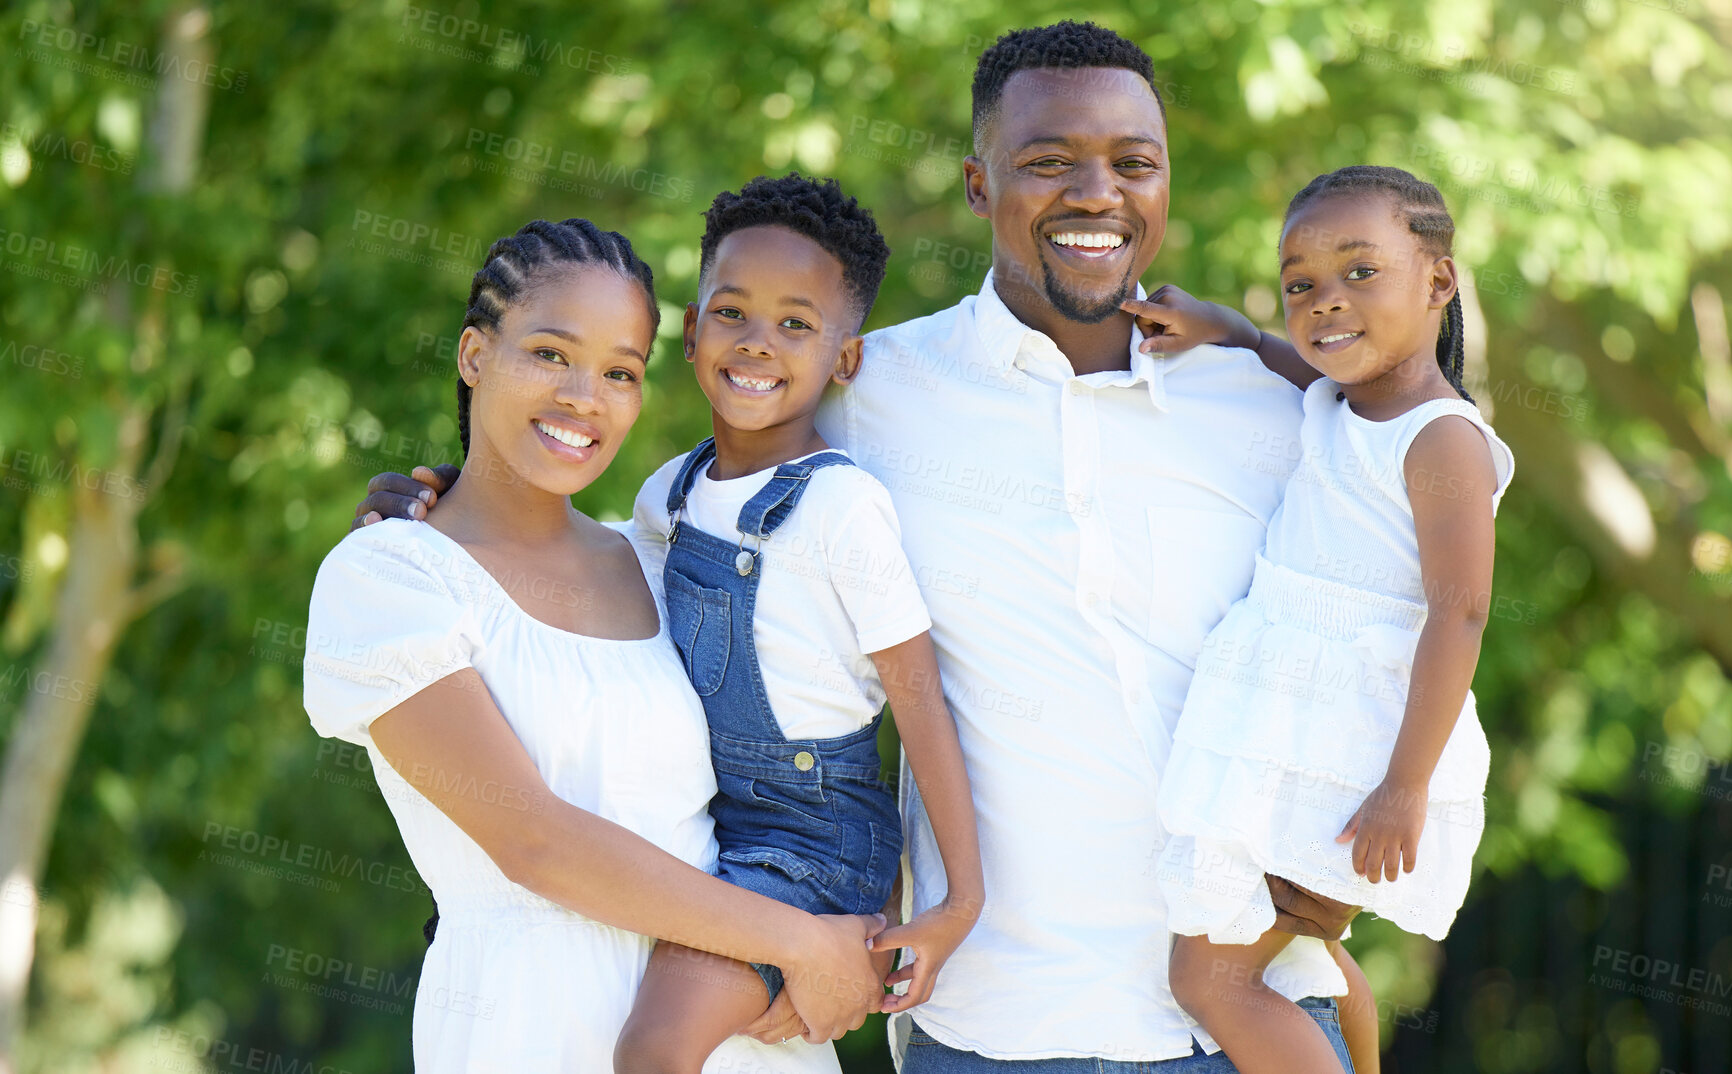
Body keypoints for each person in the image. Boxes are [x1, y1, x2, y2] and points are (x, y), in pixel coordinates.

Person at [353, 21, 1370, 1071]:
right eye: (1047, 161)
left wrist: (1363, 850)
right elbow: (673, 538)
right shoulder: (863, 387)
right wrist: (449, 501)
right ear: (978, 185)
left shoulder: (1266, 408)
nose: (1095, 193)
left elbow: (1405, 582)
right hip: (986, 1032)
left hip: (1250, 1017)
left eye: (1132, 163)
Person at [303, 218, 884, 1073]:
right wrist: (804, 942)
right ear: (473, 356)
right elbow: (535, 842)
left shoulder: (663, 559)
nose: (586, 396)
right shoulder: (393, 577)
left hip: (739, 1036)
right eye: (550, 353)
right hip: (533, 1028)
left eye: (621, 372)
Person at [613, 175, 986, 1072]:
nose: (756, 343)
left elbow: (921, 701)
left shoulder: (842, 507)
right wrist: (445, 498)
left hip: (817, 841)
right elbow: (572, 571)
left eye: (795, 325)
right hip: (708, 821)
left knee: (656, 1048)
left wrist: (955, 904)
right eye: (732, 313)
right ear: (693, 329)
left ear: (843, 359)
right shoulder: (669, 493)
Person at [1155, 167, 1514, 1073]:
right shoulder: (1343, 400)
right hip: (1287, 721)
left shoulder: (1440, 437)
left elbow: (1461, 613)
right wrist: (1227, 329)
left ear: (1438, 283)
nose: (1325, 302)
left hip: (1351, 746)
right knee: (1300, 944)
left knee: (1209, 978)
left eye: (1361, 273)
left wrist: (1404, 786)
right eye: (1300, 283)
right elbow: (1285, 357)